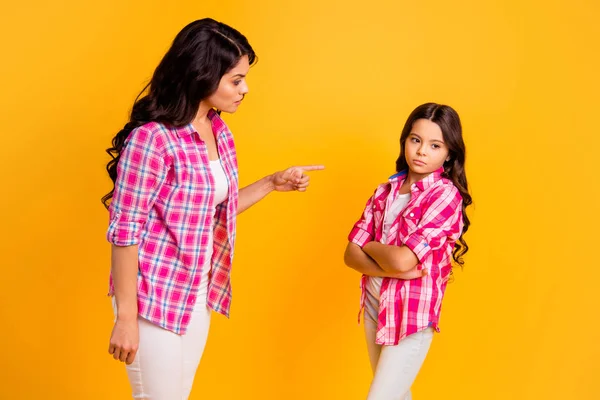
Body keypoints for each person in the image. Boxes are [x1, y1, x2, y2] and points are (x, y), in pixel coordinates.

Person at [101, 18, 323, 399]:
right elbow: (125, 232)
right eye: (236, 80)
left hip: (197, 293)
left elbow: (210, 212)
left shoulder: (220, 132)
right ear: (202, 75)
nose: (245, 89)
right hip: (153, 299)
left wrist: (272, 182)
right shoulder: (152, 140)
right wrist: (125, 317)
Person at [344, 102, 472, 399]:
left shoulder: (444, 196)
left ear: (449, 153)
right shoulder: (384, 191)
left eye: (435, 145)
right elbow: (350, 255)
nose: (421, 151)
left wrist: (372, 248)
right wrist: (387, 262)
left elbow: (403, 259)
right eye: (415, 140)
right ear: (404, 141)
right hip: (377, 307)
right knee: (398, 396)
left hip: (411, 315)